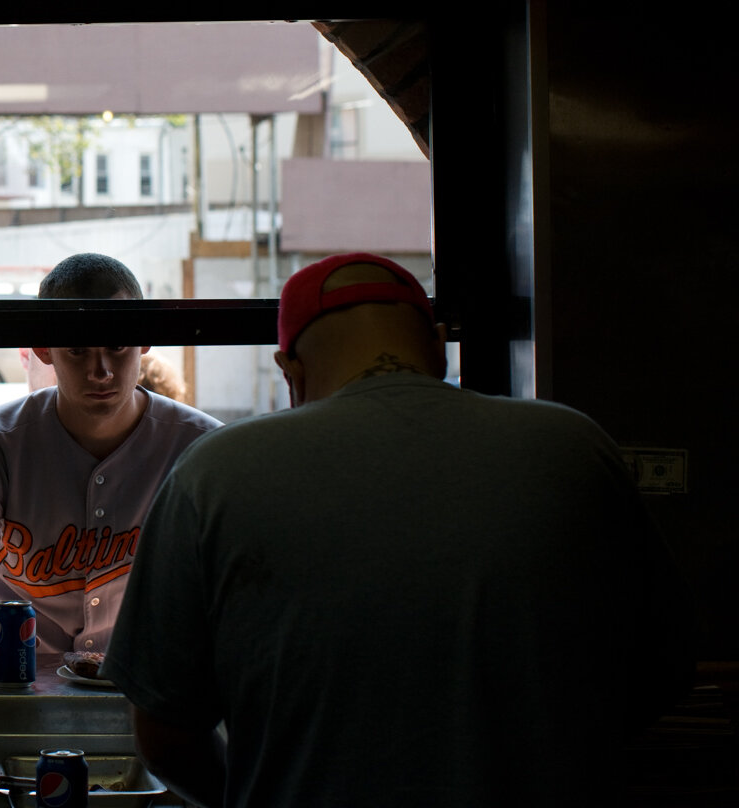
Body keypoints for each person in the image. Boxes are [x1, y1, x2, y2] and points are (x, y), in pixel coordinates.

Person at [102, 252, 696, 808]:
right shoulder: (575, 447)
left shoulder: (215, 473)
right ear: (438, 348)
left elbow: (163, 733)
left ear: (290, 371)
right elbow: (661, 673)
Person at [0, 253, 220, 682]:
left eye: (117, 346)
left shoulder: (200, 447)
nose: (99, 370)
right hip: (18, 684)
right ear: (43, 349)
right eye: (77, 349)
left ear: (145, 340)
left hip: (151, 688)